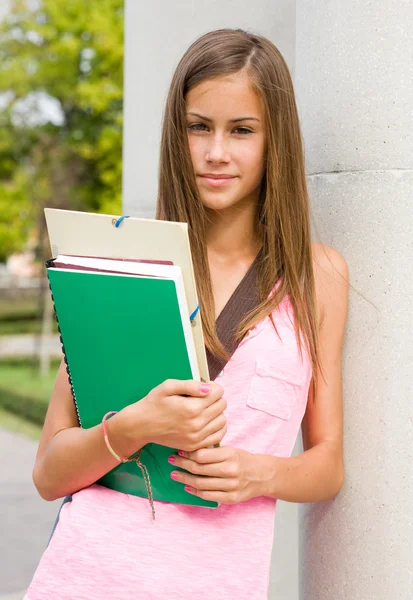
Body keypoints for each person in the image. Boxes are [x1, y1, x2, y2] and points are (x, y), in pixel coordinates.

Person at [24, 27, 349, 600]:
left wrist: (259, 473)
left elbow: (327, 463)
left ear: (276, 142)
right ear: (177, 135)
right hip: (84, 576)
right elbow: (50, 472)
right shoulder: (119, 261)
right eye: (198, 126)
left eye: (242, 130)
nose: (216, 152)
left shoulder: (316, 277)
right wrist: (132, 427)